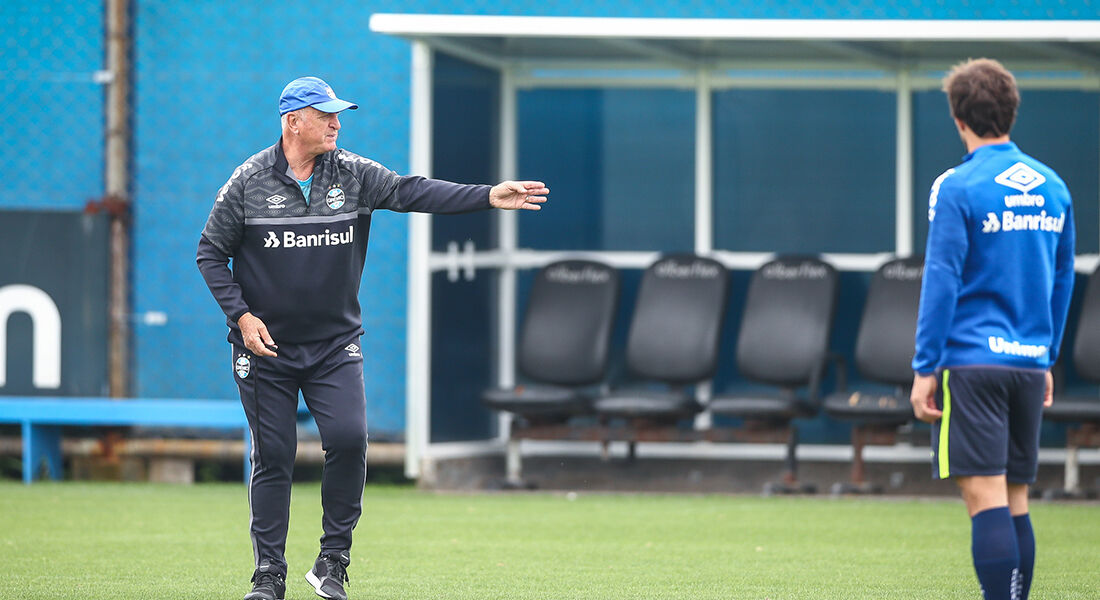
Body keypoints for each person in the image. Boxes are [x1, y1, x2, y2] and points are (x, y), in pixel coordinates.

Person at [196, 76, 548, 600]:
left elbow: (412, 191)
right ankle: (268, 576)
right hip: (265, 348)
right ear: (293, 121)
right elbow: (209, 254)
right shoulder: (248, 181)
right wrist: (242, 317)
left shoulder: (355, 174)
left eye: (340, 114)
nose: (337, 123)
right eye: (326, 114)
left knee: (348, 439)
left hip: (334, 346)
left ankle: (332, 562)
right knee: (274, 454)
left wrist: (488, 196)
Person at [910, 58, 1074, 600]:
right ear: (1011, 111)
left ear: (959, 118)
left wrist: (925, 366)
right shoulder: (1053, 188)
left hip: (973, 363)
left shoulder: (958, 187)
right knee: (1017, 498)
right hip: (1028, 363)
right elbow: (1061, 280)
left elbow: (941, 280)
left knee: (985, 499)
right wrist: (1046, 354)